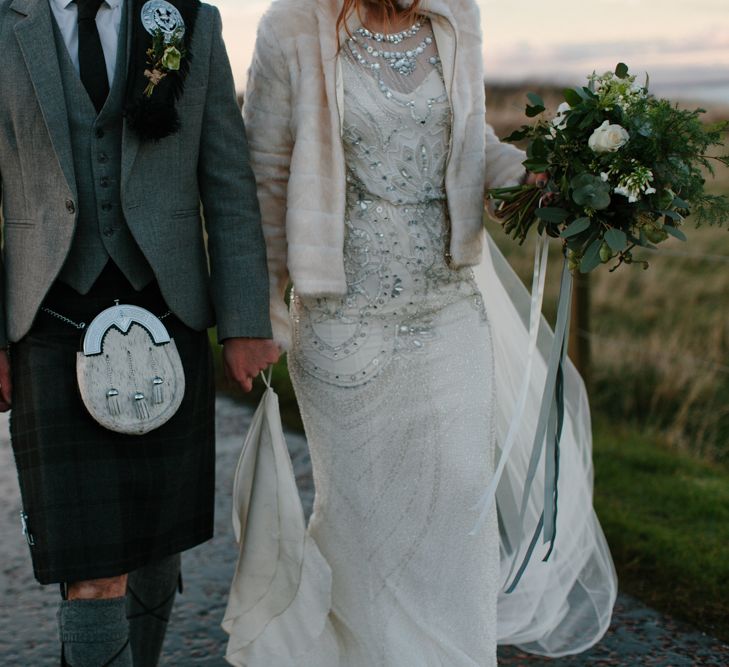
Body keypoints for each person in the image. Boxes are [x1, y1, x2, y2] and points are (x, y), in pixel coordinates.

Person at [225, 0, 617, 664]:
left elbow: (468, 141)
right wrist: (259, 315)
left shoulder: (456, 15)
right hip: (343, 320)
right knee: (363, 526)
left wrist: (527, 181)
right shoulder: (289, 26)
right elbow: (263, 176)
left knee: (460, 507)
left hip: (447, 312)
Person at [0, 0, 278, 663]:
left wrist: (244, 319)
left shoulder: (185, 20)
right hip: (48, 318)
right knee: (92, 567)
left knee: (155, 546)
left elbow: (227, 179)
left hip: (167, 310)